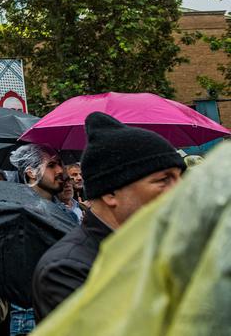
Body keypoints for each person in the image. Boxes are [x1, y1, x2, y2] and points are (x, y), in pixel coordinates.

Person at [30, 112, 185, 322]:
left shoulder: (157, 247)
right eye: (164, 180)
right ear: (111, 193)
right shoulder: (65, 270)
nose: (180, 191)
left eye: (180, 178)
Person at [6, 143, 66, 335]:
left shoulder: (65, 213)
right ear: (31, 173)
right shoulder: (19, 213)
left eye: (60, 164)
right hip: (29, 317)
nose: (60, 171)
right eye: (52, 165)